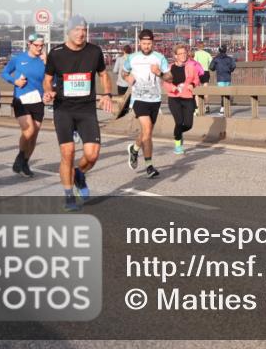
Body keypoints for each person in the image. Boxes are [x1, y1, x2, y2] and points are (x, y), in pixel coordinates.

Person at [43, 15, 114, 212]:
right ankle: (68, 196)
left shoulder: (94, 51)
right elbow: (47, 79)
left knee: (92, 155)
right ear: (69, 31)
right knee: (68, 153)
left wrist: (107, 94)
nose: (81, 33)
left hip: (86, 109)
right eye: (77, 30)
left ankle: (79, 174)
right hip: (63, 109)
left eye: (84, 30)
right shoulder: (56, 53)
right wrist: (48, 91)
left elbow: (103, 74)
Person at [122, 29, 170, 177]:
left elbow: (170, 77)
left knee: (145, 133)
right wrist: (127, 78)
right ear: (139, 43)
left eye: (149, 43)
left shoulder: (159, 58)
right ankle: (149, 167)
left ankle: (134, 149)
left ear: (153, 43)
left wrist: (159, 73)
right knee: (148, 130)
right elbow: (124, 72)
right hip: (138, 99)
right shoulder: (132, 58)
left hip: (154, 100)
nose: (146, 46)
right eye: (143, 43)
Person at [1, 33, 47, 177]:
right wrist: (15, 82)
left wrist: (49, 92)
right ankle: (20, 158)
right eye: (36, 45)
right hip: (21, 99)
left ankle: (25, 162)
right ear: (29, 44)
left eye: (42, 45)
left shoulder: (45, 61)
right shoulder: (19, 59)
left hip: (38, 101)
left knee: (34, 136)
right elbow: (4, 73)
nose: (39, 48)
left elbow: (52, 80)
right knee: (29, 131)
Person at [165, 44, 202, 155]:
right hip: (174, 98)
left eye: (184, 53)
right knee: (179, 122)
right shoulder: (169, 67)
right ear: (175, 56)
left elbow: (196, 79)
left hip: (187, 97)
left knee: (189, 124)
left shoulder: (191, 67)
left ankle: (177, 133)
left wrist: (192, 84)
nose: (183, 55)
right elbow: (165, 82)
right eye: (180, 54)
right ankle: (178, 145)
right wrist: (173, 88)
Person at [209, 45, 237, 116]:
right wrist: (229, 70)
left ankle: (222, 109)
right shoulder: (230, 59)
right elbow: (233, 66)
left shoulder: (216, 59)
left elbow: (211, 67)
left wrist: (217, 68)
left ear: (219, 50)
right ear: (225, 50)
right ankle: (226, 108)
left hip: (220, 78)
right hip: (228, 78)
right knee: (227, 93)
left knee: (222, 94)